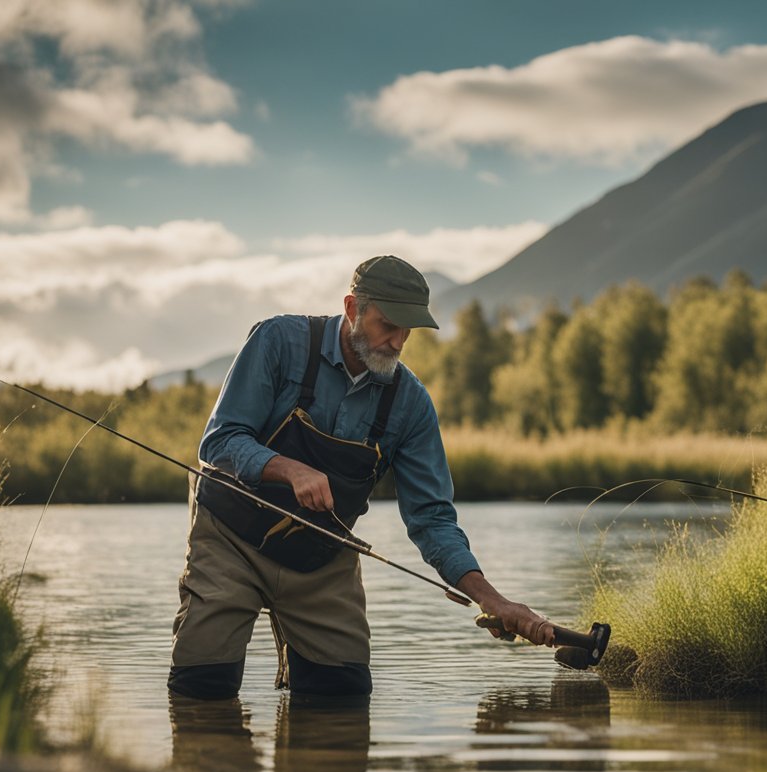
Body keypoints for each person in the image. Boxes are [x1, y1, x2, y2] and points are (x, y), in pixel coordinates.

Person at [168, 254, 554, 700]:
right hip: (229, 540)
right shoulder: (278, 340)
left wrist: (493, 598)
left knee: (343, 698)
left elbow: (431, 519)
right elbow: (217, 443)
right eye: (387, 325)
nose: (397, 341)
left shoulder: (410, 404)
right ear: (353, 309)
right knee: (203, 688)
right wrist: (289, 469)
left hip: (321, 557)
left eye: (408, 330)